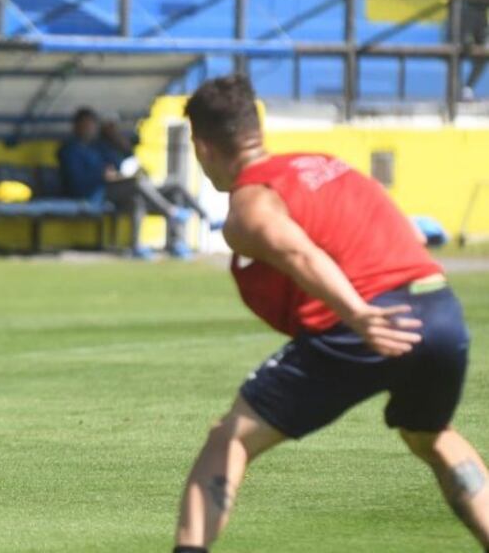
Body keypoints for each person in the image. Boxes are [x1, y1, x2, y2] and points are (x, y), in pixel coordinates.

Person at [172, 74, 487, 553]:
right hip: (439, 310)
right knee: (430, 436)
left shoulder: (249, 207)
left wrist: (359, 314)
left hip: (366, 320)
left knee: (230, 438)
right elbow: (410, 235)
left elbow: (299, 253)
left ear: (201, 147)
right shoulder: (325, 165)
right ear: (256, 128)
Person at [57, 107, 203, 258]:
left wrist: (114, 136)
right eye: (86, 125)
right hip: (93, 192)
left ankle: (177, 239)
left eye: (92, 124)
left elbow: (125, 158)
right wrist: (101, 175)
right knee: (136, 184)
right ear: (76, 126)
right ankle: (170, 212)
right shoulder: (69, 150)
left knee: (163, 189)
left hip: (117, 190)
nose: (90, 129)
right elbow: (74, 180)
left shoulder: (99, 146)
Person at [462, 0, 489, 98]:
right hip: (466, 8)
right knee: (463, 47)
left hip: (478, 11)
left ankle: (466, 88)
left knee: (484, 50)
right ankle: (457, 92)